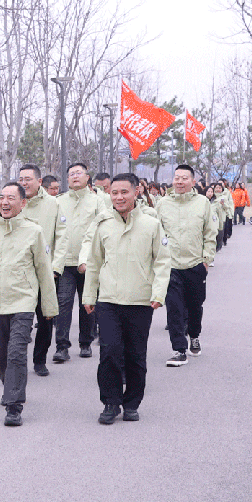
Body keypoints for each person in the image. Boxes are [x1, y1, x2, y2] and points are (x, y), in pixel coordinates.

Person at [0, 182, 58, 426]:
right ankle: (10, 386)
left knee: (17, 352)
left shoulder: (33, 231)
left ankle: (14, 405)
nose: (4, 202)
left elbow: (44, 271)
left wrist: (49, 307)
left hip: (23, 301)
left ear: (23, 203)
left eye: (11, 198)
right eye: (1, 198)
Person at [83, 173, 171, 424]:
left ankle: (132, 402)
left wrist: (158, 293)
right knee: (109, 351)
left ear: (136, 192)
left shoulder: (151, 224)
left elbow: (163, 262)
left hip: (140, 300)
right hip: (108, 300)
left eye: (124, 192)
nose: (119, 197)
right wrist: (90, 295)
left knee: (135, 354)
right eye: (114, 193)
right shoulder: (103, 225)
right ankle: (110, 402)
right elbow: (94, 263)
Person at [154, 164, 218, 367]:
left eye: (184, 178)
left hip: (195, 264)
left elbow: (210, 232)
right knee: (174, 308)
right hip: (170, 265)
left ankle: (194, 335)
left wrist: (206, 259)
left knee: (194, 306)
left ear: (192, 181)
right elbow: (155, 234)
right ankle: (179, 350)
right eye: (176, 178)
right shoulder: (163, 204)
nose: (179, 181)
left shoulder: (202, 203)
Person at [51, 162, 100, 363]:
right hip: (65, 262)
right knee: (63, 304)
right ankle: (62, 346)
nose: (75, 176)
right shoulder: (58, 201)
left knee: (87, 303)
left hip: (88, 263)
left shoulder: (98, 201)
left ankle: (85, 342)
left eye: (79, 173)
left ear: (87, 177)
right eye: (71, 174)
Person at [19, 164, 59, 376]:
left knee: (46, 318)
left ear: (39, 181)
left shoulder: (53, 204)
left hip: (46, 271)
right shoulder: (15, 202)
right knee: (18, 316)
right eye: (21, 179)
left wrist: (56, 267)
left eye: (28, 179)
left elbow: (62, 237)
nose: (24, 183)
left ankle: (40, 359)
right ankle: (16, 358)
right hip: (19, 272)